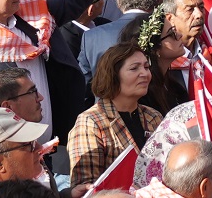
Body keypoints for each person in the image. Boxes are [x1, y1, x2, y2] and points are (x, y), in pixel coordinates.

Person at [69, 27, 164, 190]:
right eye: (134, 68)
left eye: (146, 67)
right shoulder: (91, 122)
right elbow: (86, 187)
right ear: (113, 75)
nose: (144, 74)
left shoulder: (153, 116)